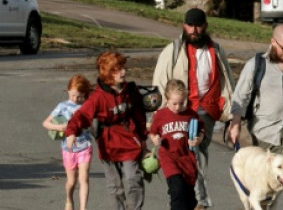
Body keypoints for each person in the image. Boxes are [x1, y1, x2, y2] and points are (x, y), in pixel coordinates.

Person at [152, 7, 234, 209]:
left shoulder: (215, 49)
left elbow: (227, 81)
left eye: (198, 25)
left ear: (205, 26)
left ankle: (198, 199)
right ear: (184, 25)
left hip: (206, 110)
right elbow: (160, 83)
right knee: (187, 153)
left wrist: (231, 113)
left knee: (197, 150)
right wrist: (161, 113)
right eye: (190, 25)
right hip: (179, 110)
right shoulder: (173, 50)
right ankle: (195, 197)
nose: (194, 30)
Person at [228, 24, 283, 210]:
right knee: (263, 180)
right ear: (272, 42)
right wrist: (235, 123)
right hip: (264, 131)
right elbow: (240, 96)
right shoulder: (257, 64)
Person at [65, 51, 148, 210]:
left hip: (130, 141)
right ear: (108, 73)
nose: (123, 72)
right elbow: (81, 115)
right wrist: (71, 132)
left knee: (133, 180)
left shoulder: (130, 90)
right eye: (117, 69)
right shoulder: (97, 97)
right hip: (108, 144)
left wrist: (143, 138)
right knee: (115, 187)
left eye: (123, 68)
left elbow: (139, 115)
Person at [149, 79, 205, 210]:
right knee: (177, 188)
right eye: (174, 103)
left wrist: (199, 139)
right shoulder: (161, 115)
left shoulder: (191, 114)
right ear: (167, 99)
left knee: (188, 197)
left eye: (181, 103)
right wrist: (155, 139)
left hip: (187, 158)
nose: (178, 107)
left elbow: (201, 130)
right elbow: (153, 132)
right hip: (169, 157)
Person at [43, 74, 94, 210]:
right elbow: (46, 123)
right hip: (68, 148)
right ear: (68, 91)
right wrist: (58, 127)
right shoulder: (62, 106)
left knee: (84, 179)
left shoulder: (87, 106)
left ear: (85, 94)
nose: (75, 99)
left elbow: (92, 126)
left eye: (79, 96)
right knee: (71, 181)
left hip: (85, 146)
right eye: (72, 95)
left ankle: (83, 208)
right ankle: (69, 200)